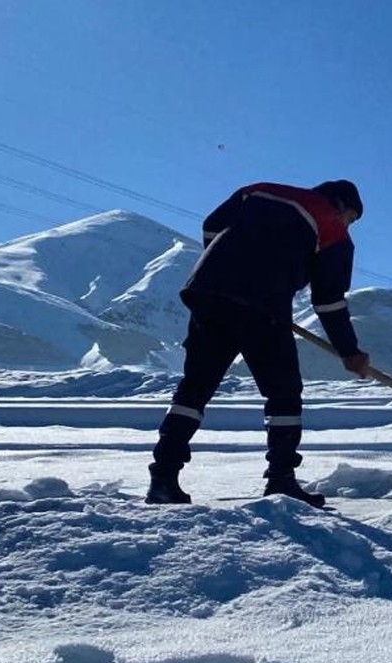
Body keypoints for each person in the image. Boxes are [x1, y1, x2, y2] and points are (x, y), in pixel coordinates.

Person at [146, 180, 372, 507]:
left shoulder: (260, 191)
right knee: (283, 394)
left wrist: (231, 268)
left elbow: (211, 225)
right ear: (340, 205)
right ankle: (281, 479)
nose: (348, 225)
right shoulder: (333, 230)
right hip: (264, 307)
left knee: (194, 388)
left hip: (209, 294)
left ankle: (163, 478)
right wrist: (349, 352)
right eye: (351, 218)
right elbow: (329, 301)